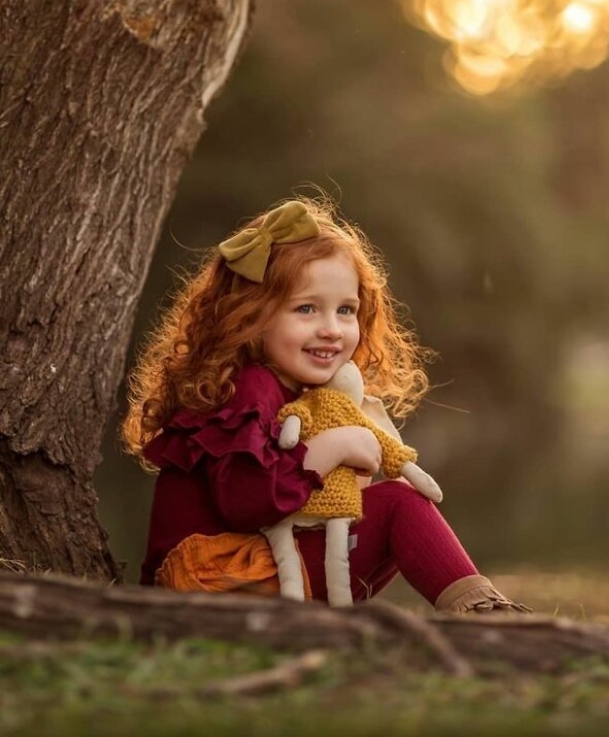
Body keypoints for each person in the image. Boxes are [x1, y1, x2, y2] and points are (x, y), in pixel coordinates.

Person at [122, 196, 530, 613]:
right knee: (399, 504)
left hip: (239, 573)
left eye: (346, 310)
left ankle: (469, 608)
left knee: (383, 510)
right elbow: (246, 502)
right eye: (306, 309)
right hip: (215, 580)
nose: (332, 330)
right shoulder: (249, 388)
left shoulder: (287, 390)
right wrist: (331, 447)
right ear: (251, 316)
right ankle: (484, 613)